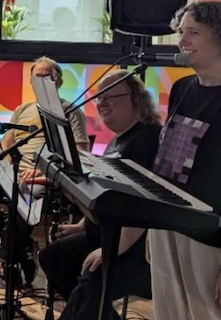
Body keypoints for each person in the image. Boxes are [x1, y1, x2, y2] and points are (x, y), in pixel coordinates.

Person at [149, 1, 221, 320]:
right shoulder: (183, 88)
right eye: (181, 32)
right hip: (168, 227)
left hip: (214, 239)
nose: (182, 42)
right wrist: (152, 229)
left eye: (194, 33)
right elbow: (166, 166)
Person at [38, 70, 159, 319]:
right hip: (105, 234)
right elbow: (109, 195)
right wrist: (82, 225)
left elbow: (141, 208)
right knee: (53, 257)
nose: (102, 104)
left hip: (134, 247)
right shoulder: (119, 140)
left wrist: (110, 251)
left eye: (109, 97)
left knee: (92, 279)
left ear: (135, 99)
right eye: (99, 98)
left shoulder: (147, 139)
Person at [0, 56, 90, 284]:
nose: (40, 81)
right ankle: (20, 247)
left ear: (57, 81)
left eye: (46, 77)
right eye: (36, 77)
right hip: (17, 174)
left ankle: (10, 257)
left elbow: (80, 153)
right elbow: (7, 144)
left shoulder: (70, 111)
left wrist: (43, 172)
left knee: (24, 200)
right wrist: (9, 168)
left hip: (45, 180)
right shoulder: (22, 109)